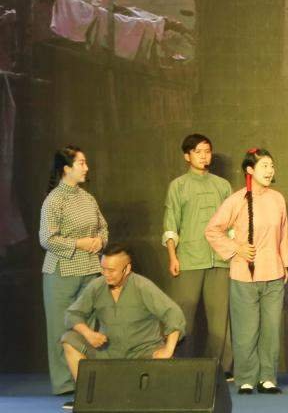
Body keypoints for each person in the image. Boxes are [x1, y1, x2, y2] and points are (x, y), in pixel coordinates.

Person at [205, 148, 288, 395]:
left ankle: (267, 378)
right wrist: (237, 248)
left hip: (273, 273)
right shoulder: (237, 200)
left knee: (271, 329)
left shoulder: (277, 199)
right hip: (245, 274)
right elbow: (212, 230)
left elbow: (283, 233)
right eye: (264, 166)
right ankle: (246, 378)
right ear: (249, 170)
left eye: (272, 166)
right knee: (246, 330)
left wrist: (285, 263)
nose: (270, 170)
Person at [60, 244, 186, 410]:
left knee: (156, 400)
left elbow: (174, 314)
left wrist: (168, 350)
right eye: (103, 269)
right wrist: (88, 333)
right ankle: (89, 397)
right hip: (108, 351)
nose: (106, 274)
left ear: (127, 269)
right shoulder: (97, 286)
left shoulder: (142, 286)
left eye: (111, 270)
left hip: (142, 353)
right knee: (69, 339)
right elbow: (72, 314)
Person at [161, 133, 233, 379]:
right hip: (189, 258)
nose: (204, 156)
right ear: (187, 155)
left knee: (220, 317)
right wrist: (173, 256)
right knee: (183, 315)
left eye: (207, 151)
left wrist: (232, 254)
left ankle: (220, 368)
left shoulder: (222, 186)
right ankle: (181, 365)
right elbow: (171, 222)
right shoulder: (178, 186)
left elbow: (231, 225)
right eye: (198, 151)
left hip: (219, 259)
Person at [40, 145, 108, 396]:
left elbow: (103, 227)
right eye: (81, 163)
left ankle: (87, 379)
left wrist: (100, 241)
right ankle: (65, 384)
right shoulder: (54, 199)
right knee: (61, 328)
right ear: (66, 169)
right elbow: (47, 238)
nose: (86, 168)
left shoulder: (88, 198)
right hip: (62, 271)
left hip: (90, 268)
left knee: (88, 325)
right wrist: (79, 243)